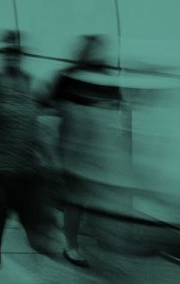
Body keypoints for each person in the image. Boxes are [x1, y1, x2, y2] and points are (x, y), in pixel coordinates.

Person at [0, 31, 56, 283]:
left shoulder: (31, 85)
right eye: (8, 53)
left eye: (17, 53)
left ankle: (39, 256)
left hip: (25, 169)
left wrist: (46, 159)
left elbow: (37, 127)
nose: (13, 58)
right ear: (0, 55)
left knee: (36, 224)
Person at [45, 34, 127, 267]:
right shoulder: (68, 78)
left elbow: (118, 111)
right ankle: (71, 245)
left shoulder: (107, 80)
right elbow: (52, 111)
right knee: (76, 199)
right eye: (92, 50)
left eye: (99, 50)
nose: (96, 54)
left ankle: (90, 235)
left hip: (99, 150)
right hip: (73, 149)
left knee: (95, 196)